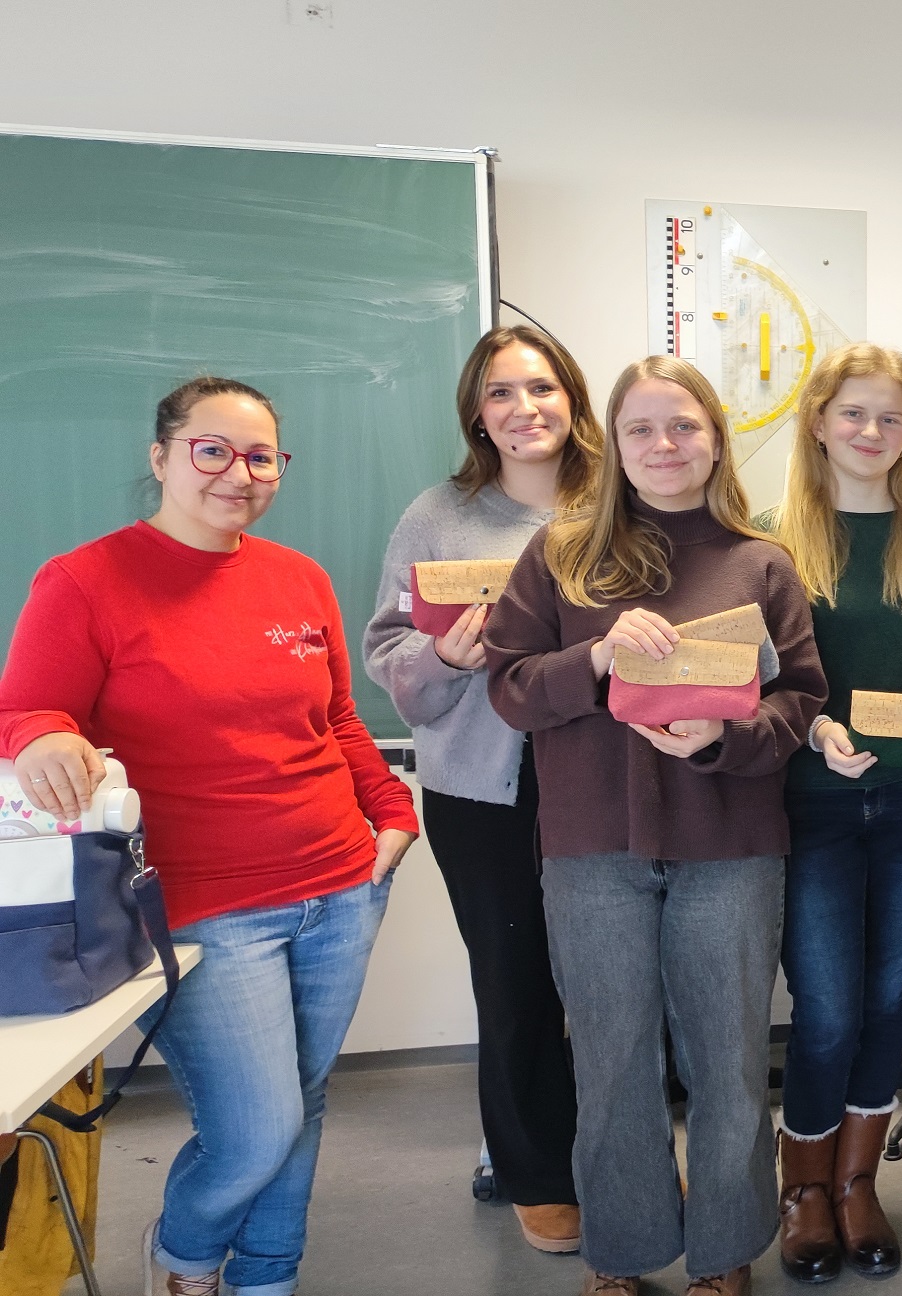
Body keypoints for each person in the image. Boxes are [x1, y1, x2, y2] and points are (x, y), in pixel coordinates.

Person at [0, 378, 420, 1296]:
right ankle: (186, 1259)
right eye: (213, 449)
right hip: (199, 911)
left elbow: (340, 720)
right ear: (161, 457)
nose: (240, 472)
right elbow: (23, 710)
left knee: (299, 1104)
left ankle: (267, 1277)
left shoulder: (298, 577)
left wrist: (392, 811)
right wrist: (43, 736)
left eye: (262, 455)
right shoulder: (85, 580)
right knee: (256, 1127)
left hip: (341, 889)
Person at [484, 356, 827, 1296]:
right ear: (615, 444)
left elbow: (800, 701)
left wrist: (727, 736)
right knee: (612, 1064)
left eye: (683, 427)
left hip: (731, 848)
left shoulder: (762, 563)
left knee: (726, 1065)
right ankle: (625, 1252)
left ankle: (724, 1254)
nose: (664, 446)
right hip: (593, 849)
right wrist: (594, 655)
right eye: (641, 429)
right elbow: (509, 688)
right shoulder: (560, 554)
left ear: (715, 438)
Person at [364, 325, 600, 1255]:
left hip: (609, 779)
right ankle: (535, 1170)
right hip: (483, 789)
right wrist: (441, 654)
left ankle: (620, 1154)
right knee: (514, 980)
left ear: (572, 400)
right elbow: (389, 652)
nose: (523, 408)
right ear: (477, 412)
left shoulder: (618, 507)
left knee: (617, 975)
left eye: (540, 388)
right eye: (500, 393)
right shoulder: (438, 514)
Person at [762, 343, 902, 1283]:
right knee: (824, 1009)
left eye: (891, 418)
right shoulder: (771, 539)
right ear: (817, 422)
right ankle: (803, 1188)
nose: (872, 432)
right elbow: (762, 679)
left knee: (886, 999)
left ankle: (859, 1183)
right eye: (853, 414)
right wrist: (818, 737)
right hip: (810, 804)